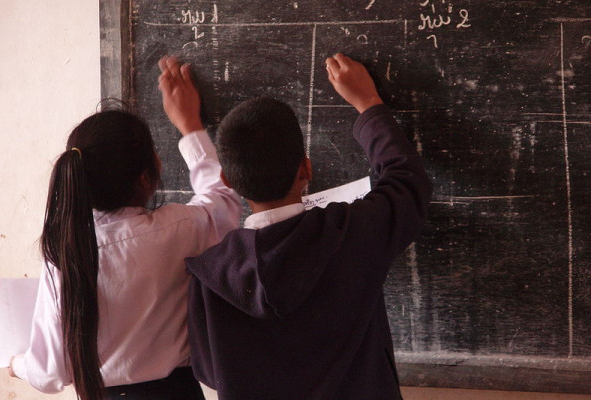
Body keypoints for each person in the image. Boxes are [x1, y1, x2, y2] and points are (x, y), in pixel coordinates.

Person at [183, 53, 433, 400]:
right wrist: (368, 103)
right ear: (306, 169)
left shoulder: (209, 276)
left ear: (228, 180)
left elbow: (210, 371)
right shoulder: (350, 232)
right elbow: (406, 183)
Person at [8, 56, 241, 400]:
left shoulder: (65, 253)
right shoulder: (179, 229)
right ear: (146, 177)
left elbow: (50, 372)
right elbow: (223, 200)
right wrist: (190, 125)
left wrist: (18, 364)